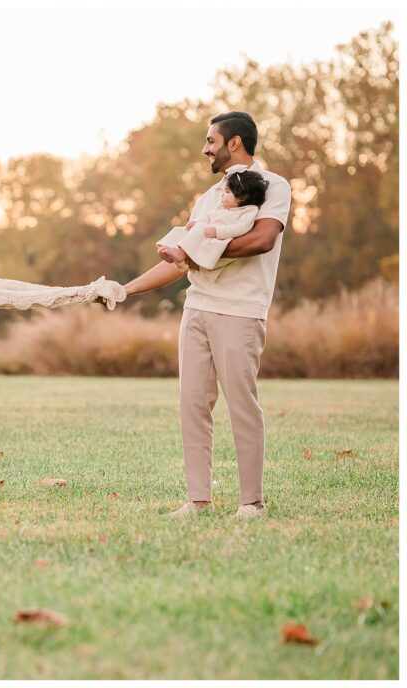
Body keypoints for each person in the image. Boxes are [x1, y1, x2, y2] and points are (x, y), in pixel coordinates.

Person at [122, 111, 291, 519]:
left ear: (234, 143)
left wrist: (200, 254)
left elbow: (262, 239)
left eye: (210, 141)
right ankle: (198, 501)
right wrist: (124, 290)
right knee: (192, 402)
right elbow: (180, 259)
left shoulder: (273, 186)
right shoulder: (207, 198)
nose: (205, 149)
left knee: (242, 404)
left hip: (241, 312)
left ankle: (252, 503)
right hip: (197, 308)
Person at [156, 167, 269, 278]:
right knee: (181, 231)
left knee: (199, 231)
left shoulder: (249, 210)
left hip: (219, 240)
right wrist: (197, 222)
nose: (222, 195)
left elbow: (241, 228)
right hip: (207, 234)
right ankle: (171, 255)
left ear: (241, 197)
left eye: (227, 192)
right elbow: (209, 216)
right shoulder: (223, 207)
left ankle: (180, 253)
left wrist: (217, 232)